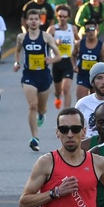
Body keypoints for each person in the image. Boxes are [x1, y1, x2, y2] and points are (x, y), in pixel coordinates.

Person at [14, 9, 63, 152]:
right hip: (29, 75)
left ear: (40, 21)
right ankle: (35, 138)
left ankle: (42, 114)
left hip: (44, 75)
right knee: (32, 105)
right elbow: (17, 51)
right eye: (31, 19)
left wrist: (51, 59)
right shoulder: (21, 37)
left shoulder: (46, 37)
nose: (34, 21)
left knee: (41, 108)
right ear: (27, 21)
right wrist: (16, 63)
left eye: (36, 19)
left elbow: (59, 56)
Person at [48, 4, 78, 111]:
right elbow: (45, 43)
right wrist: (54, 42)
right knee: (58, 90)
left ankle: (67, 111)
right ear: (57, 16)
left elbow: (78, 41)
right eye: (60, 16)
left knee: (66, 88)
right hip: (57, 61)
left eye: (65, 17)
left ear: (69, 17)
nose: (62, 19)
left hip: (69, 61)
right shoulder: (52, 29)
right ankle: (57, 97)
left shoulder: (73, 28)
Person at [74, 19, 104, 101]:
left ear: (97, 30)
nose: (90, 32)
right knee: (81, 102)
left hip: (96, 77)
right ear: (85, 31)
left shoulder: (103, 46)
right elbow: (73, 55)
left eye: (92, 29)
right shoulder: (79, 44)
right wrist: (74, 66)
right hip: (83, 76)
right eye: (87, 30)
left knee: (96, 104)